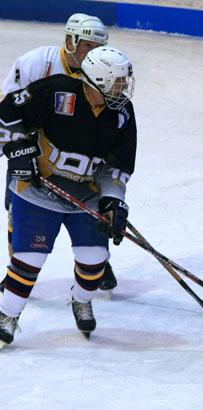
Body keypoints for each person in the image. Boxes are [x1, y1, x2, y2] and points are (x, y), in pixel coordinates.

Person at [0, 46, 137, 348]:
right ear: (99, 80)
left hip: (84, 196)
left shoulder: (122, 114)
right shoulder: (57, 91)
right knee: (29, 259)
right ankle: (6, 315)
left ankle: (81, 300)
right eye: (118, 81)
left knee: (95, 261)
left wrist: (113, 201)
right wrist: (19, 152)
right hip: (38, 190)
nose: (124, 87)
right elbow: (6, 113)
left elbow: (116, 167)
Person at [0, 13, 118, 293]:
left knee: (95, 210)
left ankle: (99, 263)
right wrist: (18, 150)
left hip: (79, 157)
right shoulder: (36, 63)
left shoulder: (103, 71)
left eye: (99, 47)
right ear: (69, 41)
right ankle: (16, 268)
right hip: (33, 150)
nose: (95, 54)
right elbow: (6, 109)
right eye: (88, 46)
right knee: (17, 207)